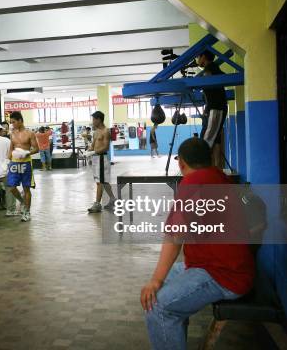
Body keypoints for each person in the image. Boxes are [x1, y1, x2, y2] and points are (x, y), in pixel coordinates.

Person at [140, 138, 254, 349]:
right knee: (166, 284)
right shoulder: (220, 177)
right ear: (210, 158)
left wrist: (156, 280)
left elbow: (174, 237)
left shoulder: (192, 184)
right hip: (221, 266)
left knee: (157, 306)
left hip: (223, 275)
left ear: (181, 163)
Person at [196, 50, 228, 168]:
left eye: (198, 57)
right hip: (214, 108)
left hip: (216, 109)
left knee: (206, 141)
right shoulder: (210, 70)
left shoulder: (211, 69)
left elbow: (223, 77)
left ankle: (204, 170)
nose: (198, 60)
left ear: (203, 56)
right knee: (215, 141)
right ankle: (216, 170)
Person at [6, 111, 38, 222]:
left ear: (20, 120)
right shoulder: (12, 133)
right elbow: (11, 148)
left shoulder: (30, 133)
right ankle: (23, 202)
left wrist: (27, 153)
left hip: (26, 162)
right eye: (11, 122)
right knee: (11, 187)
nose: (12, 124)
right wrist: (7, 160)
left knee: (26, 188)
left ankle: (27, 212)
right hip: (14, 163)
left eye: (14, 122)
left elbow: (36, 148)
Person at [86, 111, 116, 212]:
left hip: (102, 159)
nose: (93, 121)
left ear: (99, 119)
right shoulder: (96, 132)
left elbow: (106, 147)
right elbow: (93, 146)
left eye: (94, 119)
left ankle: (97, 204)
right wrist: (88, 151)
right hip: (95, 159)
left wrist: (93, 152)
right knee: (104, 181)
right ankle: (112, 199)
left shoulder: (106, 131)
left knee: (100, 182)